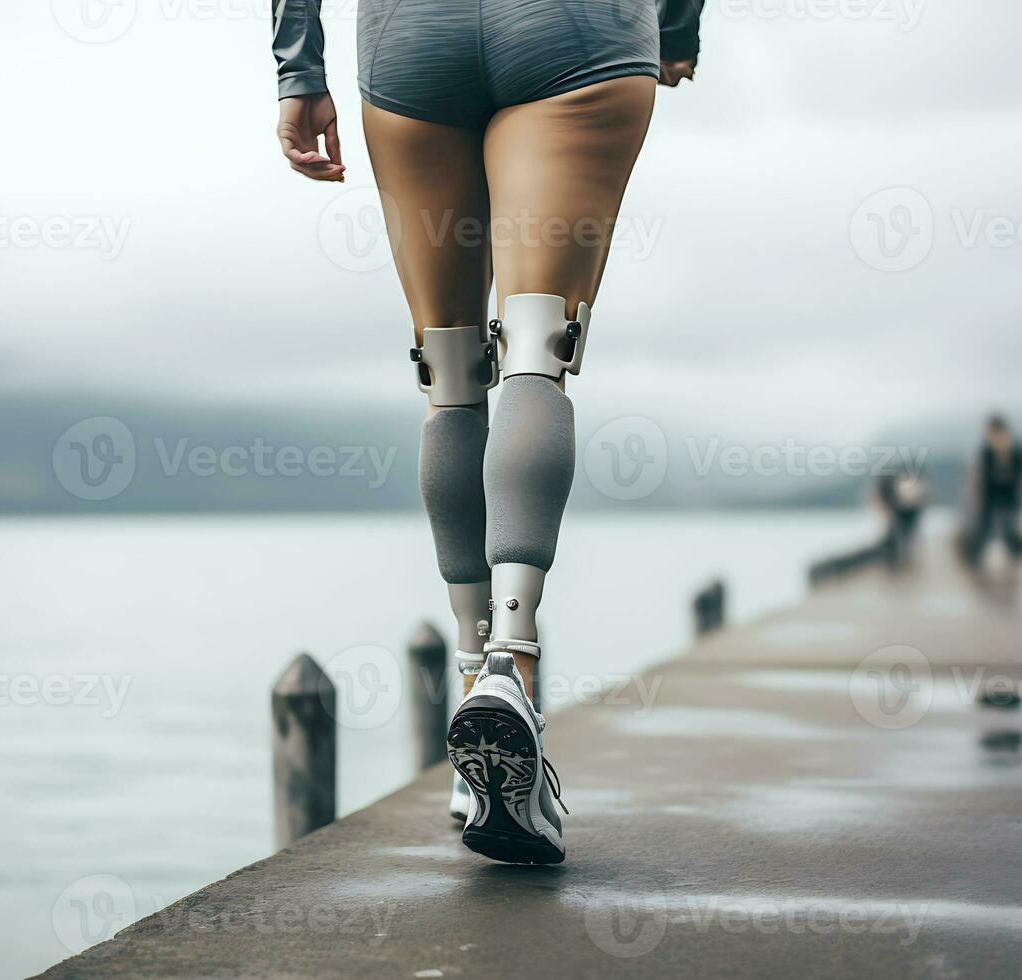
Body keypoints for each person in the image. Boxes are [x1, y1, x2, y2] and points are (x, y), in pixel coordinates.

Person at [271, 0, 706, 864]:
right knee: (535, 355)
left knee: (454, 376)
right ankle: (511, 663)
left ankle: (477, 697)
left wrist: (299, 70)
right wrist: (680, 30)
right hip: (575, 33)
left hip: (410, 42)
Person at [971, 415, 1022, 566]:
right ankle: (977, 558)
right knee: (986, 527)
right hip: (991, 494)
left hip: (1008, 494)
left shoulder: (1013, 449)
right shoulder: (988, 450)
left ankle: (1013, 557)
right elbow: (980, 474)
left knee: (1009, 527)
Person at [876, 464, 929, 569]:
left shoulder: (896, 484)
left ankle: (900, 558)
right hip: (904, 512)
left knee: (902, 535)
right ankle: (901, 558)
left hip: (903, 512)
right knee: (904, 535)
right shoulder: (901, 483)